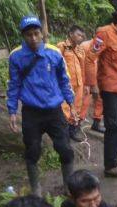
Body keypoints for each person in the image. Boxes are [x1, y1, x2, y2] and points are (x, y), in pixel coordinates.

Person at [7, 16, 76, 197]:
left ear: (42, 33)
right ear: (23, 36)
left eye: (36, 33)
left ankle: (69, 187)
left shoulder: (54, 53)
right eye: (29, 35)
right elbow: (13, 84)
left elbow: (64, 79)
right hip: (31, 113)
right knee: (32, 150)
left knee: (65, 149)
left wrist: (71, 103)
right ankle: (36, 190)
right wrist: (12, 111)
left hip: (54, 111)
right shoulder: (16, 56)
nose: (34, 38)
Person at [84, 1, 117, 177]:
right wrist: (92, 85)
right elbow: (90, 58)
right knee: (113, 126)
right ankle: (109, 166)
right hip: (108, 88)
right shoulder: (105, 32)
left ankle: (114, 160)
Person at [57, 25, 87, 142]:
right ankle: (63, 132)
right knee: (65, 108)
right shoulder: (62, 47)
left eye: (82, 36)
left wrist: (84, 84)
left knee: (77, 107)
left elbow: (82, 67)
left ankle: (73, 130)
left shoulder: (80, 49)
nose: (81, 38)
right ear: (70, 34)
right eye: (78, 35)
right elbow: (56, 64)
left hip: (79, 83)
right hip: (66, 84)